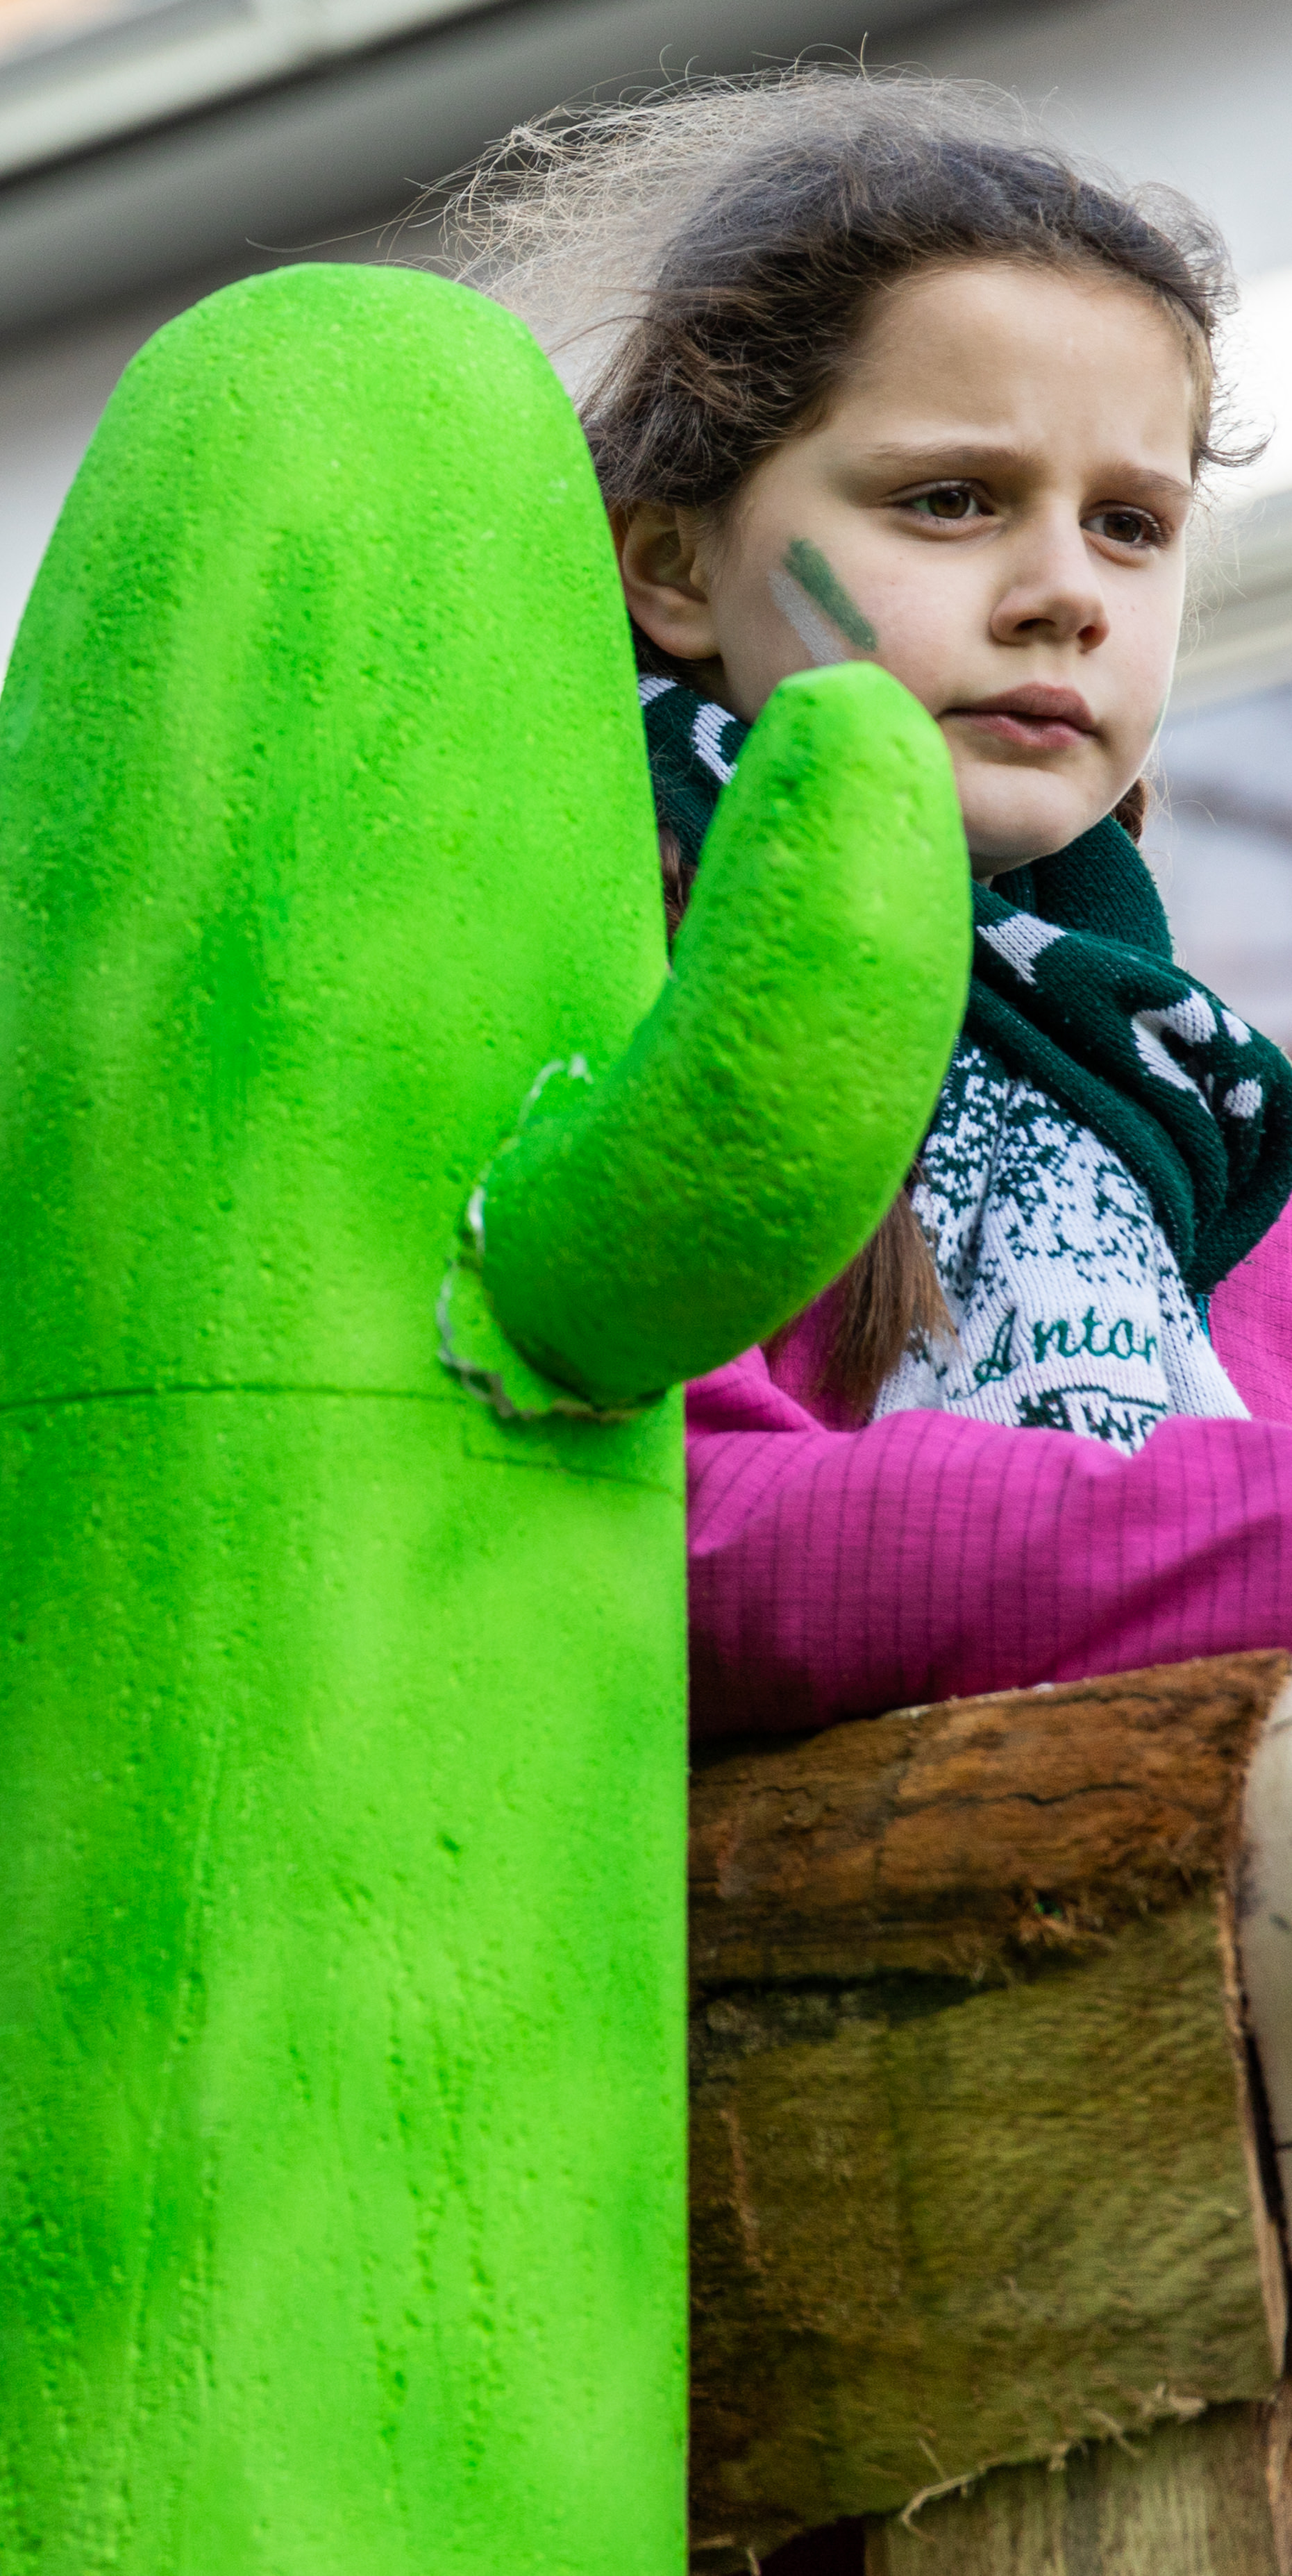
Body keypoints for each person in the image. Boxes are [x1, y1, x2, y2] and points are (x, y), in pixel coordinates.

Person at [453, 75, 1292, 1730]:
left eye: (1127, 525)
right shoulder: (584, 971)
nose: (1062, 593)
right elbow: (662, 1530)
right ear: (671, 567)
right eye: (949, 499)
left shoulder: (1202, 1103)